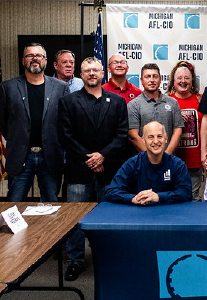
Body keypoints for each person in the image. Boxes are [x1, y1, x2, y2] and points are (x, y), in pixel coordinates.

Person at [57, 56, 128, 281]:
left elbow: (122, 134)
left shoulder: (117, 102)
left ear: (102, 73)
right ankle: (75, 260)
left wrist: (103, 156)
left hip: (109, 169)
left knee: (109, 217)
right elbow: (65, 136)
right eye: (87, 70)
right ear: (81, 74)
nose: (91, 74)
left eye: (95, 70)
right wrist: (90, 158)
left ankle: (109, 258)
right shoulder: (68, 101)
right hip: (79, 168)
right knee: (75, 218)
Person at [0, 43, 69, 202]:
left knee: (51, 204)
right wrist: (17, 137)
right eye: (30, 55)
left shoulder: (61, 87)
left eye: (39, 56)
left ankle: (50, 229)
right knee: (14, 203)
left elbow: (65, 121)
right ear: (23, 61)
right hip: (21, 155)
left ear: (45, 61)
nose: (34, 59)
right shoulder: (8, 87)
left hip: (50, 155)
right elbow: (1, 120)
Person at [106, 121, 192, 205]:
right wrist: (133, 198)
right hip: (139, 214)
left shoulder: (177, 165)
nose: (155, 141)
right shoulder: (132, 164)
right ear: (143, 140)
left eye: (159, 136)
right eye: (150, 137)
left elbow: (186, 193)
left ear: (166, 139)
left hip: (169, 215)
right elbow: (112, 191)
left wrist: (159, 197)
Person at [166, 60, 203, 201]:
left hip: (194, 161)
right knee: (172, 199)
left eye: (186, 78)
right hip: (172, 160)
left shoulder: (200, 100)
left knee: (193, 198)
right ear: (173, 81)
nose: (183, 81)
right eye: (179, 78)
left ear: (192, 80)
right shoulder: (167, 102)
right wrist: (175, 113)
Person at [127, 63, 183, 155]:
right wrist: (152, 156)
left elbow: (178, 131)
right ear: (141, 80)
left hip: (168, 159)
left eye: (155, 76)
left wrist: (166, 155)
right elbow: (133, 136)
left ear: (160, 79)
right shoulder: (133, 105)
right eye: (147, 77)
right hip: (144, 161)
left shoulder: (173, 102)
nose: (152, 80)